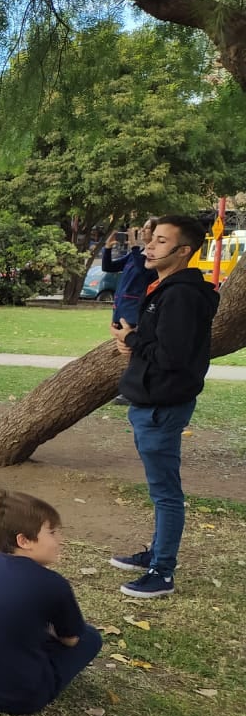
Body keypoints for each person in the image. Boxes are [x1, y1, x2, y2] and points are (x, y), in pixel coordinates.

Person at [108, 214, 218, 598]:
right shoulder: (169, 289)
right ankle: (156, 552)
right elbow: (164, 347)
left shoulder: (183, 295)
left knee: (166, 492)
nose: (149, 247)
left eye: (160, 241)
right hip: (151, 401)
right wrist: (134, 340)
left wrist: (134, 342)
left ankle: (162, 571)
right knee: (160, 490)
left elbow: (171, 356)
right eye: (151, 239)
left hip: (162, 406)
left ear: (183, 250)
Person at [0, 491, 103, 715]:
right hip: (23, 698)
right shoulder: (54, 584)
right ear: (23, 540)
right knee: (90, 637)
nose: (59, 540)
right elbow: (71, 641)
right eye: (52, 532)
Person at [101, 220, 157, 405]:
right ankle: (128, 387)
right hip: (121, 307)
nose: (142, 230)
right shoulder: (137, 254)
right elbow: (109, 267)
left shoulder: (150, 257)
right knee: (125, 350)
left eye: (147, 227)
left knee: (134, 349)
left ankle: (133, 391)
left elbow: (143, 270)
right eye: (143, 226)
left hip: (134, 309)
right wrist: (107, 248)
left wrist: (133, 243)